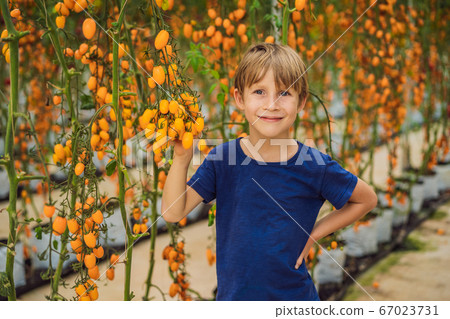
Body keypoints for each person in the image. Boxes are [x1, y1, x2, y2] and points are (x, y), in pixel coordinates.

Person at [161, 43, 378, 301]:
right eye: (260, 92)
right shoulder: (223, 159)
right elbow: (173, 212)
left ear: (302, 101)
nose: (272, 104)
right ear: (240, 98)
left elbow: (367, 199)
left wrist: (314, 234)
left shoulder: (313, 164)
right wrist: (182, 158)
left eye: (285, 92)